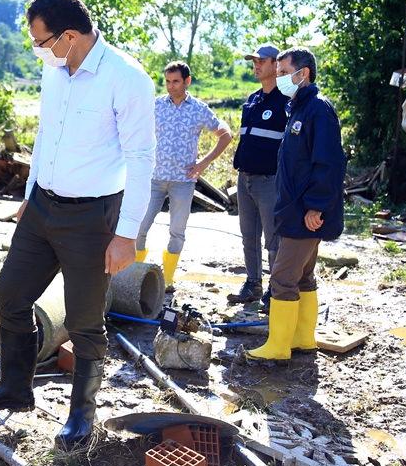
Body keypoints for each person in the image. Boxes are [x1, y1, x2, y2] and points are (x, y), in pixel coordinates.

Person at [0, 0, 155, 449]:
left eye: (42, 42)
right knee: (10, 293)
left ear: (70, 35)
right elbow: (46, 135)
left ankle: (81, 417)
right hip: (43, 207)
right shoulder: (56, 74)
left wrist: (126, 234)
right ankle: (15, 388)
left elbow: (142, 158)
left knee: (86, 320)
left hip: (93, 217)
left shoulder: (127, 78)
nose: (39, 52)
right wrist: (29, 193)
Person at [247, 46, 346, 362]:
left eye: (283, 72)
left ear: (303, 74)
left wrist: (316, 207)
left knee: (282, 278)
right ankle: (303, 338)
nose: (279, 78)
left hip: (305, 212)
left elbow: (328, 163)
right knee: (303, 276)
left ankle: (277, 346)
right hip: (294, 208)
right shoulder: (299, 109)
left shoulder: (317, 110)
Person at [134, 61, 231, 290]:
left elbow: (225, 135)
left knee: (177, 231)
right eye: (167, 81)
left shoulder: (198, 109)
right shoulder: (155, 105)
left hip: (183, 181)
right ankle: (135, 275)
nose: (170, 86)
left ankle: (167, 278)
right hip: (154, 178)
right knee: (139, 226)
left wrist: (204, 162)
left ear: (187, 81)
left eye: (175, 81)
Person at [227, 44, 289, 306]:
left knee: (273, 240)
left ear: (276, 65)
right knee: (248, 236)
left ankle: (275, 291)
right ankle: (253, 284)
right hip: (246, 179)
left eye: (262, 61)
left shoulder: (286, 100)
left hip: (269, 181)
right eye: (254, 61)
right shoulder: (252, 100)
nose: (256, 65)